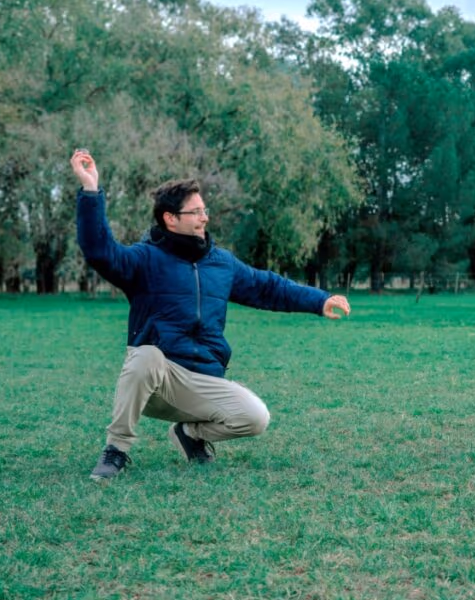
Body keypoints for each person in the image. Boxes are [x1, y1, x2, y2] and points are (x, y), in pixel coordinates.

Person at [70, 149, 350, 481]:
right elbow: (100, 251)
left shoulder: (221, 263)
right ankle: (116, 451)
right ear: (170, 219)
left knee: (255, 417)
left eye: (205, 210)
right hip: (157, 382)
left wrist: (319, 301)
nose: (205, 218)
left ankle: (190, 434)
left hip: (204, 380)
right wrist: (91, 191)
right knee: (145, 356)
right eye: (196, 212)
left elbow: (268, 288)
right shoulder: (144, 260)